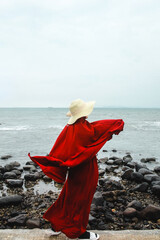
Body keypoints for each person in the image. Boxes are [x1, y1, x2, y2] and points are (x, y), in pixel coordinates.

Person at [28, 99, 124, 240]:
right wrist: (117, 124)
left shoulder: (69, 128)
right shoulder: (86, 128)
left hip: (74, 171)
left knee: (69, 197)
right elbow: (106, 126)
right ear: (84, 114)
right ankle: (79, 233)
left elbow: (59, 149)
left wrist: (59, 164)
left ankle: (57, 224)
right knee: (82, 201)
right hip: (86, 171)